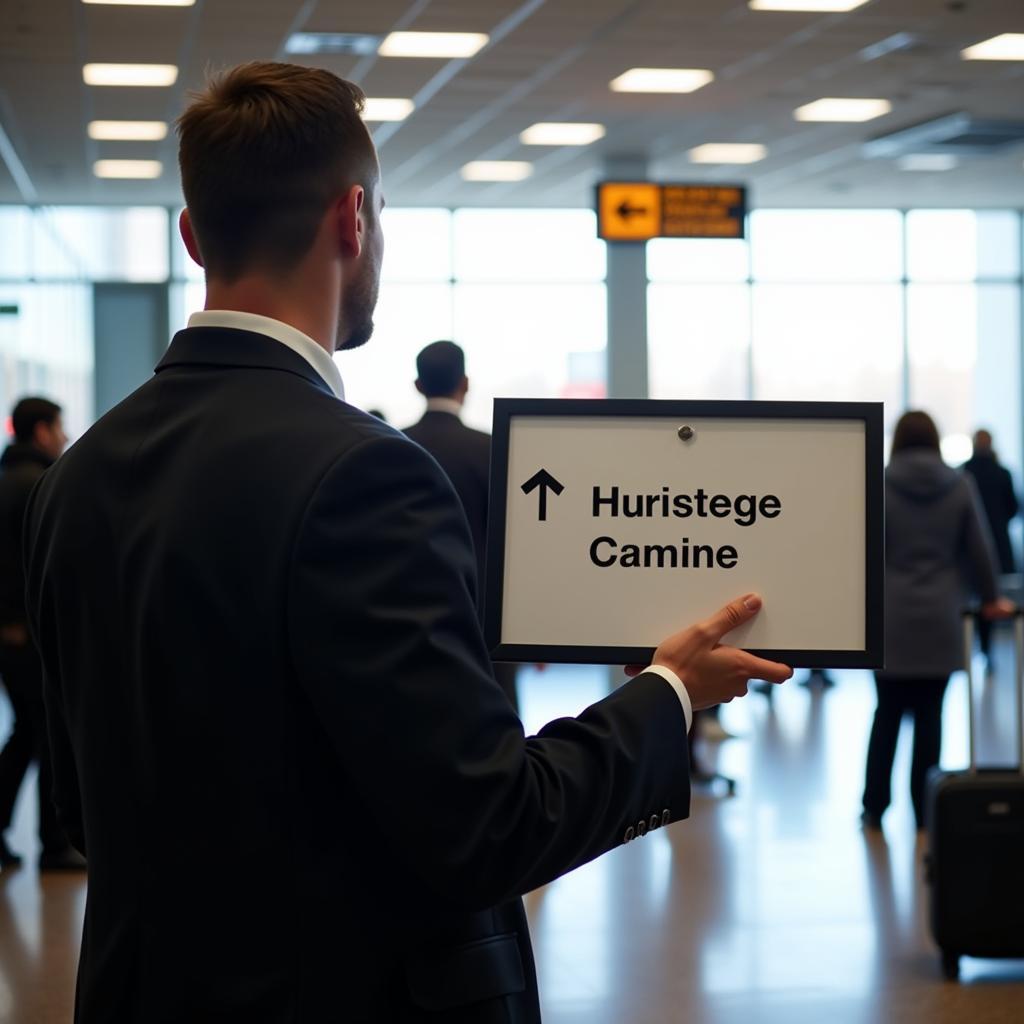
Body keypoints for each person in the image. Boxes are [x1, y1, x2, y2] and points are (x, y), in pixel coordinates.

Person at [23, 62, 791, 1023]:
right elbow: (486, 826)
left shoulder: (80, 474)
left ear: (193, 236)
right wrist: (668, 695)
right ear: (354, 220)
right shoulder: (360, 473)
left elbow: (86, 813)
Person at [862, 411, 1012, 832]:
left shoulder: (877, 483)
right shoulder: (958, 484)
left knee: (886, 714)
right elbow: (980, 550)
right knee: (931, 715)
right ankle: (924, 808)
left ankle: (874, 807)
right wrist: (991, 597)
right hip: (942, 617)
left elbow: (859, 550)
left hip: (888, 618)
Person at [402, 341, 520, 711]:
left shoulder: (391, 444)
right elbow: (513, 545)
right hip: (486, 618)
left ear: (418, 385)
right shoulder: (493, 449)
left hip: (407, 612)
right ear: (465, 384)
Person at [0, 397, 83, 871]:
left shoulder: (11, 480)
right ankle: (55, 845)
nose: (65, 437)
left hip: (14, 633)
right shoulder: (36, 485)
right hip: (24, 636)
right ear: (40, 433)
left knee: (27, 733)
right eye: (59, 427)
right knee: (49, 735)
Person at [962, 428, 1019, 660]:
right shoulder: (1002, 473)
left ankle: (974, 642)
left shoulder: (964, 473)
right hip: (997, 543)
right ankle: (987, 648)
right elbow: (1013, 508)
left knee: (972, 598)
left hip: (967, 546)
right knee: (992, 598)